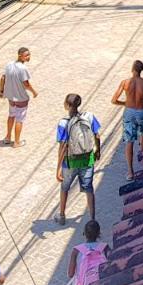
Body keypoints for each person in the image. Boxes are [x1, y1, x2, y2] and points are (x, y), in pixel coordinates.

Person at [55, 94, 100, 226]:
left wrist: (58, 168)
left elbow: (62, 146)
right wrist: (98, 151)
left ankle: (62, 215)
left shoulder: (63, 123)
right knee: (89, 189)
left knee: (65, 187)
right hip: (87, 159)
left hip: (70, 161)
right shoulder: (89, 117)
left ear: (67, 105)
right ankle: (92, 219)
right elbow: (97, 135)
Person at [111, 60, 143, 181]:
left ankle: (130, 172)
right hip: (141, 112)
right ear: (142, 70)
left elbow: (114, 100)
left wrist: (125, 103)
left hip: (129, 112)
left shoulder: (125, 83)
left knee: (129, 141)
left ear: (132, 69)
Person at [0, 48, 37, 148]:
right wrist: (34, 92)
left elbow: (3, 78)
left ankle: (7, 137)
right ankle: (16, 142)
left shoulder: (9, 65)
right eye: (26, 55)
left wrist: (1, 91)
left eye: (29, 55)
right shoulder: (23, 69)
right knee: (19, 119)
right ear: (20, 56)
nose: (28, 57)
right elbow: (26, 84)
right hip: (21, 98)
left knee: (11, 115)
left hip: (11, 98)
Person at [66, 221, 107, 285]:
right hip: (102, 284)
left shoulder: (76, 250)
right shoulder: (105, 248)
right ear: (99, 233)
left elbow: (70, 274)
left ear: (84, 233)